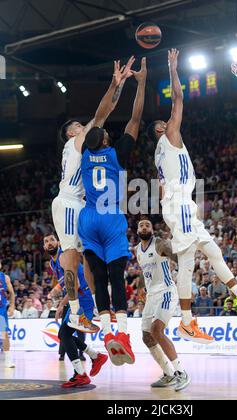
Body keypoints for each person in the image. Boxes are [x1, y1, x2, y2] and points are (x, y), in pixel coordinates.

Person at [147, 49, 237, 343]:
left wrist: (172, 208)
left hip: (180, 204)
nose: (167, 124)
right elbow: (178, 99)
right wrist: (173, 69)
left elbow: (161, 190)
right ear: (162, 130)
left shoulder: (159, 155)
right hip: (179, 204)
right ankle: (187, 322)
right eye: (163, 125)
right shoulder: (170, 136)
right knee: (188, 260)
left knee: (213, 252)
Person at [52, 57, 134, 333]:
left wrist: (119, 87)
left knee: (89, 256)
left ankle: (93, 312)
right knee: (72, 257)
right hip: (67, 202)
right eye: (77, 125)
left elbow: (105, 114)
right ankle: (75, 314)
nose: (82, 127)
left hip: (81, 205)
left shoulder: (87, 148)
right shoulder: (76, 143)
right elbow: (100, 115)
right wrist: (113, 83)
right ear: (71, 134)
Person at [78, 58, 147, 366]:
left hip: (87, 219)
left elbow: (100, 115)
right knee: (117, 278)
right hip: (110, 219)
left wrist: (114, 84)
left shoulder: (84, 153)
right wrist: (140, 83)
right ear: (105, 139)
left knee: (99, 276)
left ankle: (106, 334)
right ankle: (122, 335)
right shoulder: (117, 153)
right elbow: (135, 117)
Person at [136, 218, 190, 392]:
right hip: (151, 296)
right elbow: (143, 272)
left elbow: (178, 257)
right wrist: (140, 290)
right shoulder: (137, 250)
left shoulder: (160, 244)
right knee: (146, 337)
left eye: (147, 225)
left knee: (156, 330)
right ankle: (168, 374)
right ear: (137, 230)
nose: (144, 227)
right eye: (141, 225)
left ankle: (181, 372)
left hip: (166, 291)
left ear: (152, 230)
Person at [43, 232, 99, 361]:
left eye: (52, 240)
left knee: (64, 334)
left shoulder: (64, 257)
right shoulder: (52, 263)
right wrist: (56, 289)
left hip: (84, 299)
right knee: (64, 335)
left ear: (59, 243)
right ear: (44, 247)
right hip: (75, 299)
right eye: (46, 241)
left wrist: (61, 305)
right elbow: (65, 281)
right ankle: (94, 356)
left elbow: (76, 284)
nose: (49, 243)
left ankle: (90, 361)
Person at [0, 261, 15, 368]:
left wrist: (12, 305)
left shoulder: (5, 278)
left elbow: (12, 293)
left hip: (1, 310)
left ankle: (8, 360)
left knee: (4, 334)